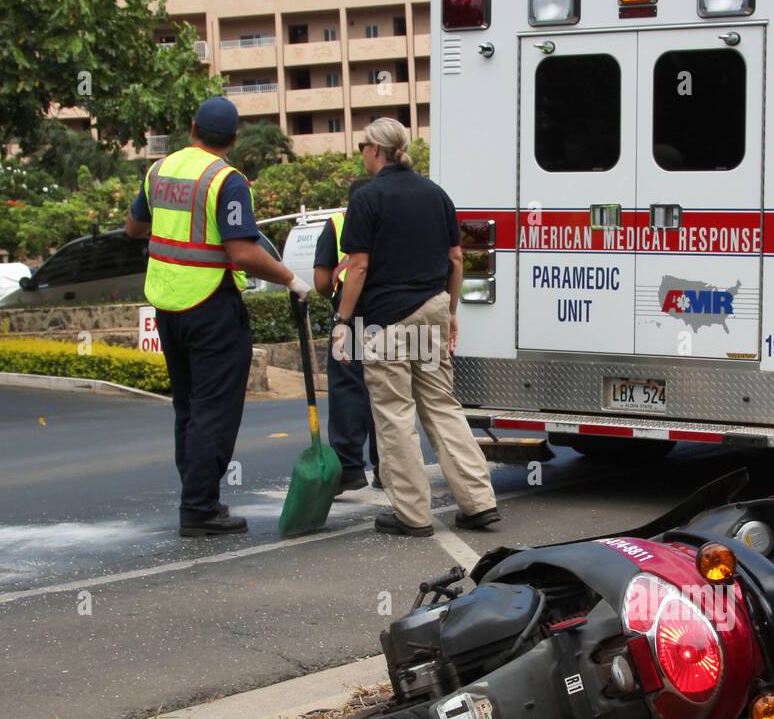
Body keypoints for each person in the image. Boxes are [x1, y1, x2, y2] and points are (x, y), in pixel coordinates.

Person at [126, 97, 310, 537]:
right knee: (215, 411)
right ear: (232, 139)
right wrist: (291, 279)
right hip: (210, 306)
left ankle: (196, 496)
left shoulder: (159, 171)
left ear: (192, 128)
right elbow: (243, 252)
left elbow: (133, 229)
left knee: (188, 408)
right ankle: (200, 508)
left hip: (168, 306)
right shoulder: (226, 181)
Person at [334, 118, 500, 537]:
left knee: (394, 414)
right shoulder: (436, 194)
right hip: (431, 314)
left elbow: (358, 266)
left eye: (362, 147)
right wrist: (452, 312)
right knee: (442, 406)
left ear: (375, 148)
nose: (362, 154)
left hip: (385, 323)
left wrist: (342, 322)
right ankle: (479, 503)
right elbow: (457, 258)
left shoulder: (367, 199)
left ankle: (412, 514)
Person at [313, 177, 378, 493]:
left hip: (350, 317)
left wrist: (338, 307)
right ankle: (389, 469)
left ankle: (350, 469)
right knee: (387, 389)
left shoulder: (337, 223)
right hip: (390, 313)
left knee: (347, 388)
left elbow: (322, 281)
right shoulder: (392, 220)